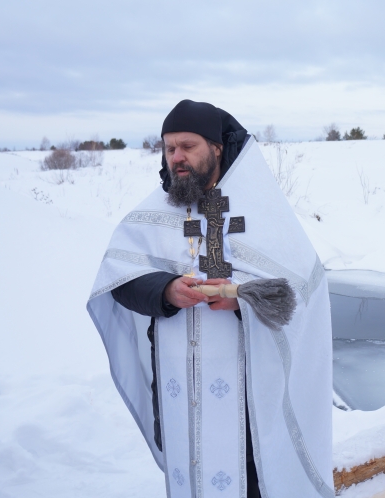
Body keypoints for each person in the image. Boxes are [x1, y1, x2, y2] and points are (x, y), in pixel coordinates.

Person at [87, 100, 334, 498]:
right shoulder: (156, 212)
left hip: (248, 395)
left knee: (251, 483)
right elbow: (119, 280)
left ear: (216, 148)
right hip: (178, 389)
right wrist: (166, 291)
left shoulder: (260, 209)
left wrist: (242, 299)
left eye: (187, 146)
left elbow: (304, 287)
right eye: (169, 148)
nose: (176, 158)